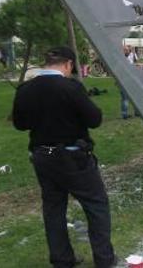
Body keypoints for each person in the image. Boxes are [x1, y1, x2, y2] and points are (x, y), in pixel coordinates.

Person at [12, 46, 116, 268]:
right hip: (72, 157)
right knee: (96, 205)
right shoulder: (71, 87)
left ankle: (62, 260)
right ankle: (105, 260)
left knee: (53, 208)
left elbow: (20, 124)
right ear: (68, 64)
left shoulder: (25, 89)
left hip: (42, 156)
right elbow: (94, 119)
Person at [119, 46, 137, 119]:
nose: (125, 51)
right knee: (125, 98)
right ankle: (125, 114)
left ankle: (135, 112)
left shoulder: (122, 57)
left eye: (126, 50)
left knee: (134, 97)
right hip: (126, 79)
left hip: (128, 79)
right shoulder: (128, 57)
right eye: (124, 50)